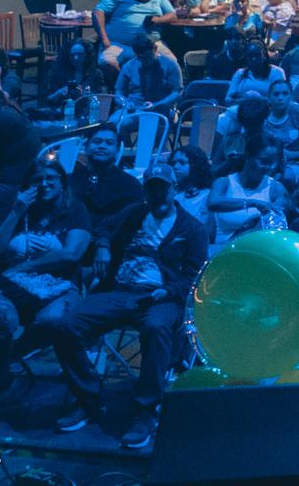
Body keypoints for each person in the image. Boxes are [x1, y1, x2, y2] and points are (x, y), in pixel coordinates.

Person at [50, 160, 207, 450]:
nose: (158, 194)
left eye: (163, 188)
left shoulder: (192, 228)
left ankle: (146, 410)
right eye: (152, 188)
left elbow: (195, 278)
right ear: (145, 190)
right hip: (121, 290)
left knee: (156, 327)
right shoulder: (134, 213)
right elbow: (103, 227)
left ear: (174, 189)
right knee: (66, 325)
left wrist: (166, 290)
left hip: (161, 296)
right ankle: (88, 398)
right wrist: (103, 247)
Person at [0, 157, 90, 416]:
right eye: (38, 180)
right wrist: (16, 211)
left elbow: (71, 254)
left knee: (53, 320)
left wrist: (26, 266)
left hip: (59, 287)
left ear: (62, 183)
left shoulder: (75, 210)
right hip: (12, 288)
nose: (45, 184)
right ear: (28, 185)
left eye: (51, 178)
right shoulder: (16, 209)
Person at [92, 0, 179, 81]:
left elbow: (172, 15)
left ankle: (156, 88)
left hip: (152, 45)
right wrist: (104, 39)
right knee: (107, 62)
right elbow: (97, 12)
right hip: (121, 44)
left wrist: (157, 20)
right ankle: (125, 85)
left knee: (172, 63)